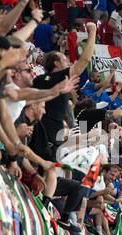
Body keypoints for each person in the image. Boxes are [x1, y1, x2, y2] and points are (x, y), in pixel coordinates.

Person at [33, 22, 97, 157]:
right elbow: (85, 60)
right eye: (64, 59)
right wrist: (92, 32)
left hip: (43, 133)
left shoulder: (39, 79)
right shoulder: (58, 77)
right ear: (56, 63)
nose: (68, 62)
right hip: (51, 137)